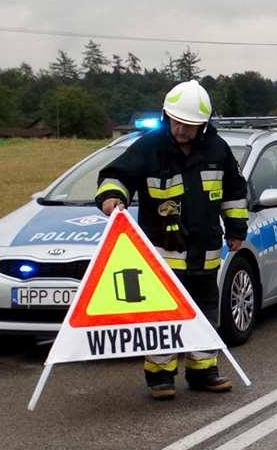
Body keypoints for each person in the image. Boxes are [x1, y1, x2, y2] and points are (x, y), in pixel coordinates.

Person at [94, 79, 248, 400]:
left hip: (205, 254)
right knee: (162, 317)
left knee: (205, 314)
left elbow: (234, 192)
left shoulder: (217, 150)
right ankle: (160, 377)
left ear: (203, 125)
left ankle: (204, 371)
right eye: (176, 122)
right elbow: (116, 176)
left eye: (188, 125)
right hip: (162, 256)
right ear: (167, 116)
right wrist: (112, 198)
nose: (181, 130)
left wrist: (236, 230)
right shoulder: (149, 147)